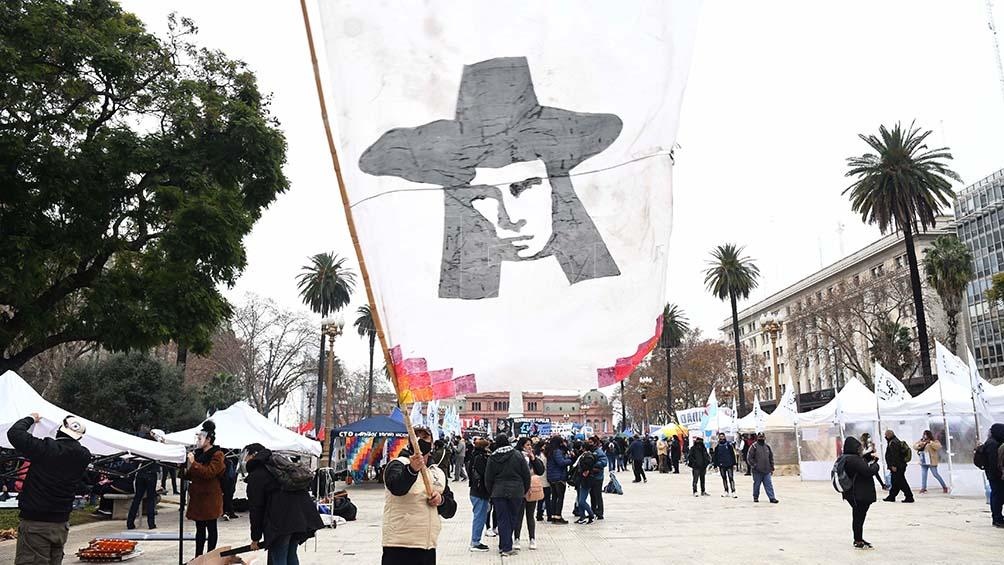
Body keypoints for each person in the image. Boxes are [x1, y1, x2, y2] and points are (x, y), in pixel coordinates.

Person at [7, 413, 90, 565]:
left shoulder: (45, 449)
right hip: (61, 524)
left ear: (59, 430)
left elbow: (15, 433)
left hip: (36, 522)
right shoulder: (84, 455)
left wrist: (31, 418)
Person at [382, 425, 457, 564]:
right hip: (399, 545)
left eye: (425, 437)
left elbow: (451, 510)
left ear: (432, 442)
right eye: (415, 437)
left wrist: (441, 501)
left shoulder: (437, 472)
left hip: (427, 546)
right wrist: (411, 470)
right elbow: (397, 488)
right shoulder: (397, 464)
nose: (420, 441)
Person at [243, 443, 322, 565]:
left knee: (279, 556)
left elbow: (256, 508)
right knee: (290, 553)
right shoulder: (279, 465)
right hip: (300, 517)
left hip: (280, 522)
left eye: (246, 455)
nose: (245, 459)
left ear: (253, 455)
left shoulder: (257, 475)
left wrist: (255, 538)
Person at [184, 421, 226, 557]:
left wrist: (194, 464)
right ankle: (198, 556)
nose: (198, 440)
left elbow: (209, 472)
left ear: (208, 439)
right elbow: (188, 474)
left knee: (211, 527)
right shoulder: (197, 453)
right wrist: (185, 466)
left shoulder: (217, 454)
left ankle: (210, 556)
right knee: (199, 528)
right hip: (197, 496)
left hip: (210, 496)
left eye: (200, 438)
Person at [485, 434, 530, 557]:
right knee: (512, 518)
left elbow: (488, 478)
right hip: (516, 491)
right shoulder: (518, 455)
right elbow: (526, 475)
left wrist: (491, 492)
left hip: (498, 492)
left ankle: (504, 545)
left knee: (502, 519)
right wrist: (524, 490)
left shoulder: (492, 458)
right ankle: (506, 547)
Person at [840, 437, 878, 549]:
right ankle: (858, 540)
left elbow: (859, 467)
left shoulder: (846, 458)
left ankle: (858, 538)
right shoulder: (854, 460)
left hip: (851, 493)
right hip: (859, 493)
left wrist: (866, 458)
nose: (860, 450)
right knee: (859, 517)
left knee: (858, 516)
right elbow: (868, 471)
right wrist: (876, 465)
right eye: (858, 448)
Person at [513, 438, 544, 550]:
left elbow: (541, 471)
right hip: (520, 490)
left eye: (531, 445)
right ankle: (517, 538)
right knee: (518, 516)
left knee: (530, 515)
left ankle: (532, 538)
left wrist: (534, 459)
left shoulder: (533, 457)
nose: (530, 447)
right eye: (527, 445)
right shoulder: (516, 456)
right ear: (522, 446)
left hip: (532, 490)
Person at [126, 426, 159, 530]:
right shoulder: (155, 444)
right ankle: (151, 523)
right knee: (150, 499)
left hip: (141, 473)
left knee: (137, 498)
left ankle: (130, 522)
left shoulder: (141, 444)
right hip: (151, 474)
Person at [975, 423, 1004, 527]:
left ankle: (997, 517)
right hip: (995, 475)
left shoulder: (993, 441)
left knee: (997, 495)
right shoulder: (992, 444)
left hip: (993, 474)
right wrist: (997, 474)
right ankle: (997, 519)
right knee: (997, 496)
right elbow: (993, 461)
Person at [465, 437, 491, 552]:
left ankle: (475, 540)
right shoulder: (481, 458)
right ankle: (475, 542)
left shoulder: (473, 456)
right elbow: (485, 474)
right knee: (479, 517)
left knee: (480, 516)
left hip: (475, 490)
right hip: (480, 491)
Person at [544, 436, 571, 524]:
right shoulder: (557, 451)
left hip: (551, 477)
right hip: (559, 477)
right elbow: (561, 462)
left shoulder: (549, 451)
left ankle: (554, 516)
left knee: (554, 497)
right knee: (560, 497)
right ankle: (558, 516)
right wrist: (569, 460)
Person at [882, 430, 914, 503]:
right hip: (899, 465)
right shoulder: (893, 441)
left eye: (886, 435)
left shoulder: (893, 442)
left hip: (897, 466)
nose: (885, 437)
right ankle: (892, 496)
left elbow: (895, 456)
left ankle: (909, 496)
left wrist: (893, 465)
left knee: (901, 482)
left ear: (890, 435)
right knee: (895, 482)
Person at [747, 432, 778, 503]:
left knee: (769, 484)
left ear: (765, 438)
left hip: (767, 470)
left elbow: (771, 458)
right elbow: (749, 458)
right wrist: (755, 465)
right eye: (760, 437)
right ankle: (755, 497)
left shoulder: (767, 447)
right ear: (757, 438)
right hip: (757, 471)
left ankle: (772, 498)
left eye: (762, 437)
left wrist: (772, 467)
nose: (761, 438)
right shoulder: (753, 447)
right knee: (757, 485)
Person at [587, 437, 608, 520]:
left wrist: (594, 463)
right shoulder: (590, 451)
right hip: (591, 476)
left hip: (598, 477)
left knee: (598, 495)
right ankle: (593, 511)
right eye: (588, 442)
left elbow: (604, 462)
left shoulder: (599, 452)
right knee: (592, 495)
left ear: (595, 443)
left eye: (591, 442)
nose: (589, 444)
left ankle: (600, 512)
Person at [712, 432, 738, 498]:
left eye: (722, 436)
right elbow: (715, 457)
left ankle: (733, 491)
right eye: (720, 436)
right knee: (724, 478)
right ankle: (726, 491)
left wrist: (734, 464)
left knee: (731, 477)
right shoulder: (717, 447)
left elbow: (732, 454)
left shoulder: (729, 445)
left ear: (724, 437)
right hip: (721, 465)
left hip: (729, 464)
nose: (721, 438)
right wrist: (715, 465)